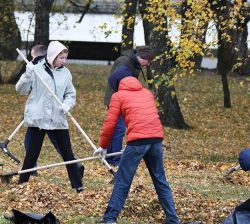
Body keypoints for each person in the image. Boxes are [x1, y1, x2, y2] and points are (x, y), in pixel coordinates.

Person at [95, 76, 180, 223]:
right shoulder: (146, 92)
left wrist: (103, 146)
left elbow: (110, 124)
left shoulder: (118, 96)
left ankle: (109, 219)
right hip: (156, 140)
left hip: (137, 143)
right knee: (160, 179)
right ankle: (172, 219)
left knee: (122, 181)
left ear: (117, 85)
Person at [16, 41, 83, 193]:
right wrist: (27, 74)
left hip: (57, 118)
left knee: (67, 152)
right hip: (38, 118)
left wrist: (67, 104)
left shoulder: (66, 73)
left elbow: (70, 94)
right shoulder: (36, 70)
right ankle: (22, 183)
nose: (64, 61)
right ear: (53, 56)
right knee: (32, 154)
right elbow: (21, 90)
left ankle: (78, 185)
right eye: (61, 58)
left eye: (65, 58)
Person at [103, 46, 155, 167]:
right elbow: (116, 80)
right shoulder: (124, 61)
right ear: (143, 57)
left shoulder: (133, 62)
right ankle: (115, 159)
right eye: (148, 61)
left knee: (116, 129)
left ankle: (110, 157)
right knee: (119, 129)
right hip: (117, 99)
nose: (148, 64)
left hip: (123, 99)